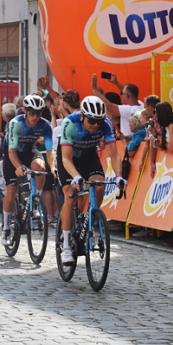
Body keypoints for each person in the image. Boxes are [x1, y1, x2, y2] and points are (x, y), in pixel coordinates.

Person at [57, 96, 126, 264]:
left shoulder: (106, 124)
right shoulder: (70, 123)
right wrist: (76, 176)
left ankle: (90, 221)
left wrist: (119, 176)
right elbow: (66, 159)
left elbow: (114, 154)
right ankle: (66, 246)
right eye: (92, 121)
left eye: (98, 121)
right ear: (82, 116)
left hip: (88, 156)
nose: (95, 124)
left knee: (100, 184)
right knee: (70, 195)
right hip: (69, 158)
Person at [0, 95, 53, 245]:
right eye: (32, 112)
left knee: (41, 168)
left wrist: (53, 167)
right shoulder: (15, 123)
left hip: (29, 150)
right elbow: (11, 152)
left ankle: (35, 201)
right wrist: (18, 166)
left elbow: (50, 151)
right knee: (12, 190)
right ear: (24, 111)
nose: (35, 116)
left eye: (39, 113)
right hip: (13, 153)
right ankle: (5, 228)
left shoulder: (45, 125)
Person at [91, 74, 142, 139]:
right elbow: (130, 93)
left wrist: (94, 89)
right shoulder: (140, 104)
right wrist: (116, 83)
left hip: (128, 144)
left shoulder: (128, 110)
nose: (122, 95)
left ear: (126, 96)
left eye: (122, 94)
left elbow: (108, 105)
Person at [148, 102, 173, 177]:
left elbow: (171, 149)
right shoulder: (163, 127)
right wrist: (155, 143)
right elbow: (162, 148)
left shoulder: (172, 126)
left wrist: (163, 141)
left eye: (155, 112)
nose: (154, 114)